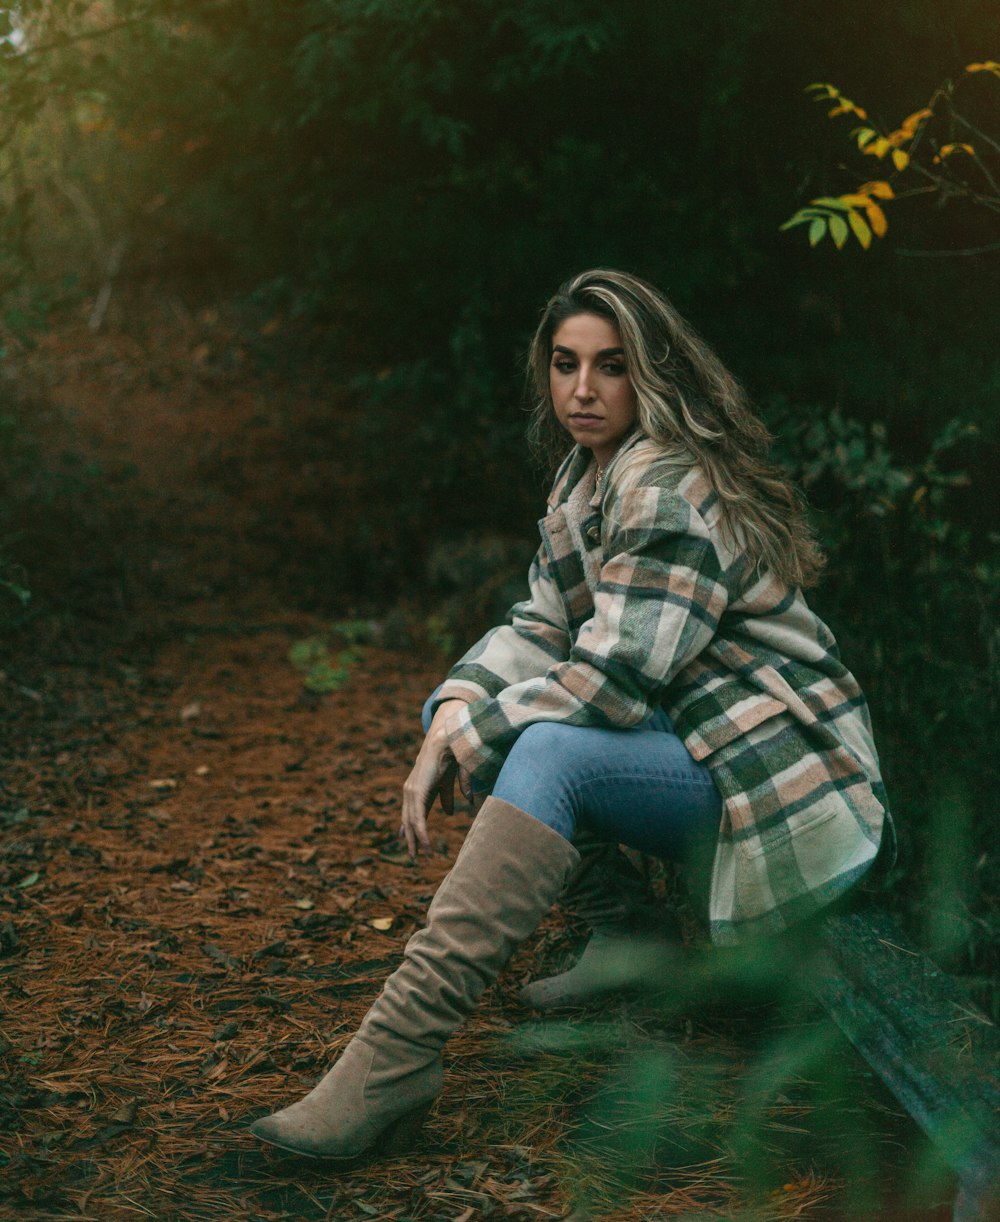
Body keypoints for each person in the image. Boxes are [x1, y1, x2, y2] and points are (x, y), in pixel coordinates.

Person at [249, 268, 892, 1161]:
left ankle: (392, 1059)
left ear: (651, 376)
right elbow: (544, 627)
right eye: (565, 364)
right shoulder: (586, 476)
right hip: (704, 741)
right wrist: (455, 710)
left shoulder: (664, 487)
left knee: (545, 748)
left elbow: (614, 682)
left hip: (782, 773)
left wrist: (478, 735)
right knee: (495, 717)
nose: (582, 390)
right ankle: (623, 931)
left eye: (611, 366)